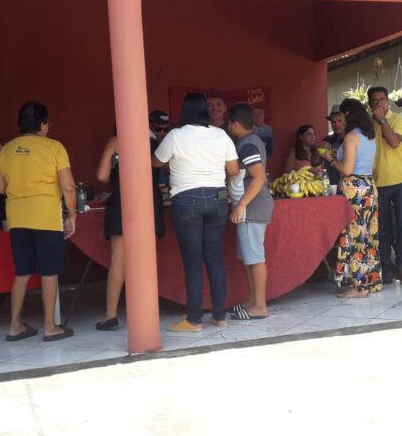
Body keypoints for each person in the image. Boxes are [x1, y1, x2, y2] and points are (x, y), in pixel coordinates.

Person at [155, 93, 240, 332]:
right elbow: (234, 170)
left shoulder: (175, 135)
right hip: (218, 198)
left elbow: (156, 162)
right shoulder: (220, 135)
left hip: (186, 199)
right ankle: (219, 316)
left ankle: (194, 320)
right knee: (214, 257)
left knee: (193, 261)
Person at [0, 101, 76, 342]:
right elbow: (68, 187)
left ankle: (15, 326)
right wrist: (71, 215)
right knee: (49, 272)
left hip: (17, 218)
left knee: (22, 272)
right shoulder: (54, 147)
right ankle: (50, 327)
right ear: (43, 125)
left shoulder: (7, 149)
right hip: (46, 216)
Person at [94, 129, 166, 331]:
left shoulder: (115, 141)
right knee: (147, 259)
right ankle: (147, 313)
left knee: (118, 260)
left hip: (123, 197)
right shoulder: (154, 142)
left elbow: (101, 175)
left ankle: (110, 315)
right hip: (150, 199)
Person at [322, 98, 380, 298]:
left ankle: (358, 287)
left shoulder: (351, 137)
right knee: (368, 236)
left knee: (354, 236)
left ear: (348, 115)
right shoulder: (369, 136)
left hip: (354, 189)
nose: (339, 120)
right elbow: (372, 166)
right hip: (368, 186)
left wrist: (331, 159)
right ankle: (370, 282)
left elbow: (346, 169)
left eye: (341, 116)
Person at [226, 103, 274, 320]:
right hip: (250, 208)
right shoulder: (250, 142)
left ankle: (260, 306)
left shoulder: (247, 146)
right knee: (248, 255)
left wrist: (241, 204)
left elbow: (259, 177)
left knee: (255, 257)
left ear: (236, 124)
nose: (228, 127)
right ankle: (253, 300)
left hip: (252, 208)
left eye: (229, 123)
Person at [367, 86, 402, 283]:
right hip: (379, 182)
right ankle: (386, 267)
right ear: (370, 104)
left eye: (383, 100)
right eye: (375, 101)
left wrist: (382, 120)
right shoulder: (368, 125)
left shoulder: (397, 118)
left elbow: (394, 142)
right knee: (382, 227)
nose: (380, 104)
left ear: (388, 101)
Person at [321, 105, 346, 186]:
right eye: (333, 122)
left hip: (348, 184)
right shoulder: (328, 139)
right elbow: (315, 161)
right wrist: (320, 151)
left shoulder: (352, 139)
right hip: (330, 184)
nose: (336, 125)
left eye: (339, 121)